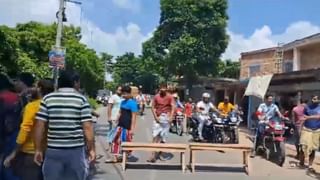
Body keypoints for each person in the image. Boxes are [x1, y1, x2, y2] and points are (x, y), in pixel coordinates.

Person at [34, 70, 95, 180]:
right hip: (75, 151)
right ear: (75, 82)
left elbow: (40, 125)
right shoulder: (81, 99)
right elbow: (87, 127)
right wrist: (91, 149)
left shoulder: (48, 99)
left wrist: (38, 149)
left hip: (53, 150)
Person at [4, 79, 54, 180]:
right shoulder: (53, 105)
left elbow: (25, 130)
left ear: (39, 89)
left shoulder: (32, 106)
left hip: (30, 153)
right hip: (48, 152)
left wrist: (13, 154)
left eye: (35, 86)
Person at [106, 86, 138, 163]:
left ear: (130, 93)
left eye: (125, 94)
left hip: (127, 126)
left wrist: (132, 129)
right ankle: (115, 157)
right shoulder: (122, 102)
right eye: (123, 93)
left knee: (126, 142)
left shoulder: (133, 103)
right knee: (115, 140)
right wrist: (117, 118)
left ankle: (125, 158)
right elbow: (120, 112)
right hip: (120, 124)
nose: (124, 95)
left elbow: (134, 117)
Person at [148, 84, 175, 162]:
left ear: (166, 89)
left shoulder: (170, 97)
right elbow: (152, 107)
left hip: (166, 117)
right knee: (155, 136)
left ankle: (160, 153)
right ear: (159, 88)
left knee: (163, 137)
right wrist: (155, 117)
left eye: (164, 88)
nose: (163, 90)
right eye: (161, 88)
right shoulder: (156, 96)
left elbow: (173, 107)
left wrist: (171, 117)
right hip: (158, 117)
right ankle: (152, 155)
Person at [0, 73, 20, 180]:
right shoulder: (17, 97)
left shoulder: (2, 98)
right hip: (15, 134)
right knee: (9, 166)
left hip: (3, 135)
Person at [299, 95, 320, 172]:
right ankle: (301, 162)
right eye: (313, 99)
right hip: (306, 129)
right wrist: (300, 128)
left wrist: (309, 117)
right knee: (303, 146)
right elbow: (303, 118)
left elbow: (319, 116)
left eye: (316, 99)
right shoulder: (307, 107)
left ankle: (310, 165)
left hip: (316, 130)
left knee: (313, 149)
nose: (314, 100)